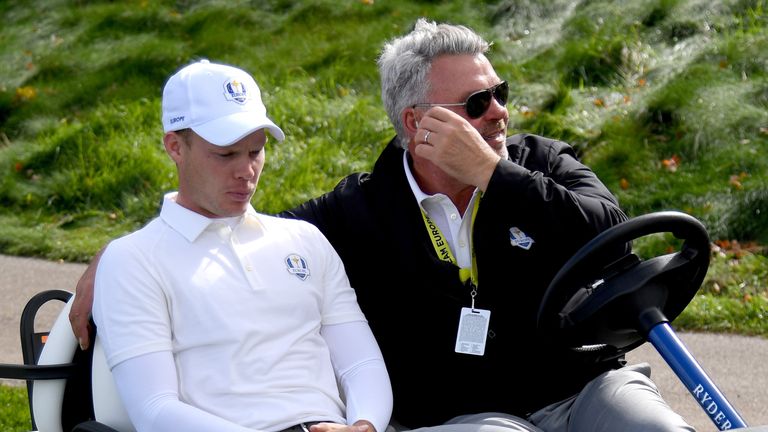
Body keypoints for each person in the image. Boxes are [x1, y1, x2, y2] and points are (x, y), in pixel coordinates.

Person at [74, 19, 693, 432]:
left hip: (582, 388)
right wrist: (111, 258)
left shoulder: (540, 163)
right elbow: (232, 226)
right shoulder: (359, 210)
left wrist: (490, 176)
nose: (499, 113)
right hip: (464, 417)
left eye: (500, 92)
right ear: (417, 123)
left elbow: (607, 228)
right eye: (476, 105)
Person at [90, 60, 392, 432]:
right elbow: (154, 409)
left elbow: (361, 363)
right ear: (175, 147)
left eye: (255, 151)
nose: (246, 171)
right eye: (225, 154)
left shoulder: (305, 240)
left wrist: (365, 425)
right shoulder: (132, 260)